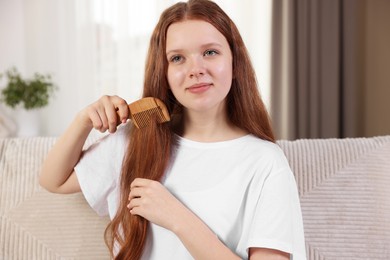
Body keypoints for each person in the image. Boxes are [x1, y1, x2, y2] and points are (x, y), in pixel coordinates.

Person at [39, 0, 307, 259]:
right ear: (164, 73)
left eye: (210, 52)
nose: (195, 69)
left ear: (235, 63)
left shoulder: (265, 162)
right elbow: (54, 180)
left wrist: (177, 218)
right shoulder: (136, 140)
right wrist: (84, 120)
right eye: (177, 58)